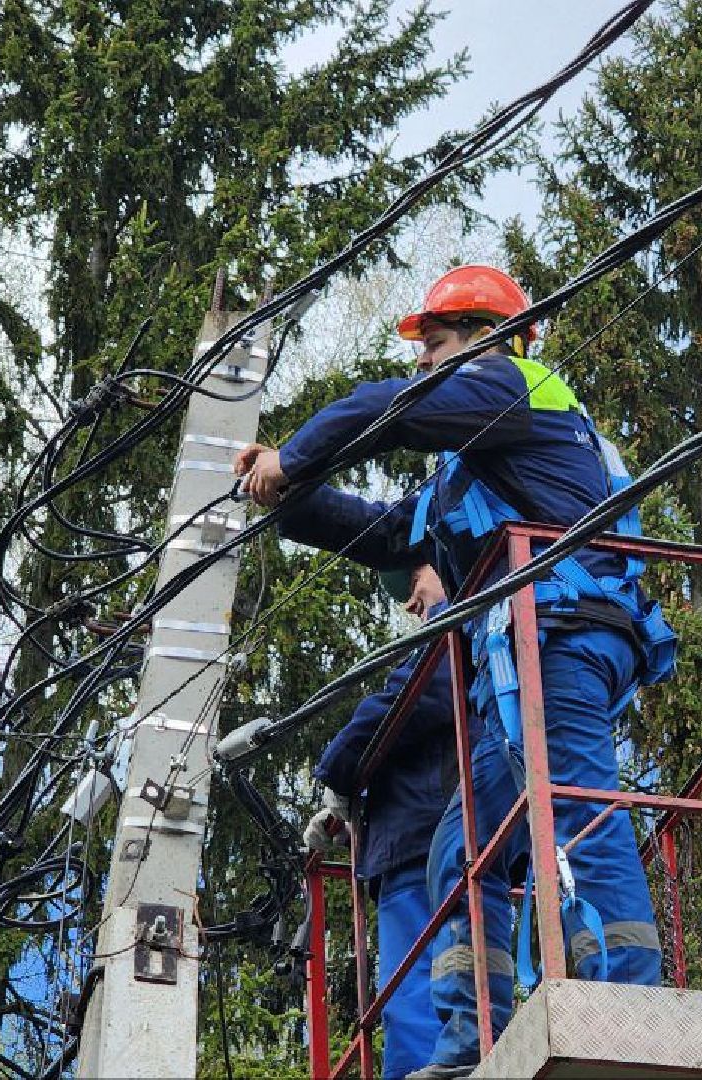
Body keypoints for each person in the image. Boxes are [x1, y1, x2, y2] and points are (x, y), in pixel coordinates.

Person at [237, 264, 676, 1078]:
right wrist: (288, 497)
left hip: (562, 633)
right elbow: (384, 533)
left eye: (435, 342)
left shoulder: (515, 385)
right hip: (519, 661)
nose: (422, 361)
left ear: (487, 337)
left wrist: (293, 456)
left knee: (575, 805)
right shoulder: (471, 469)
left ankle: (628, 998)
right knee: (461, 850)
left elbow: (391, 409)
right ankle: (472, 1039)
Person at [304, 565, 458, 1080]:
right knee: (422, 983)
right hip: (423, 836)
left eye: (413, 586)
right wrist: (351, 813)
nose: (411, 605)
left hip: (424, 843)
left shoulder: (454, 634)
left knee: (416, 985)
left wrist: (339, 774)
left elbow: (411, 700)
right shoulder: (479, 637)